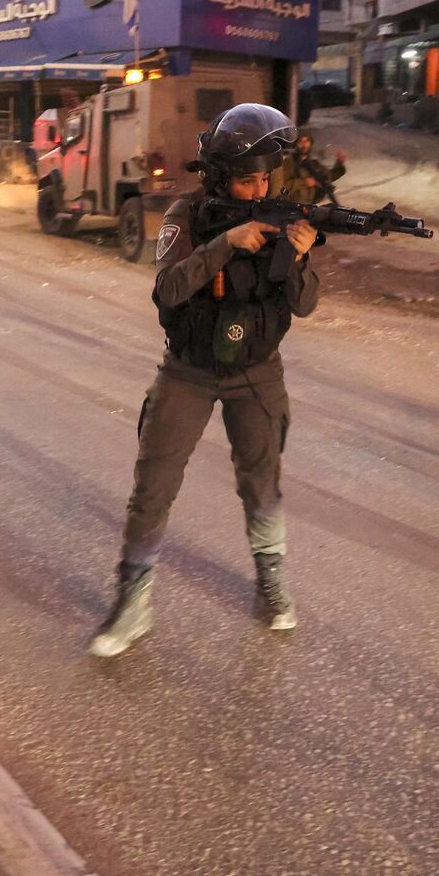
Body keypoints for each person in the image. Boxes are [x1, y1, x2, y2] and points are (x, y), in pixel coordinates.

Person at [88, 104, 320, 657]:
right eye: (247, 179)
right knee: (155, 484)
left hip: (257, 373)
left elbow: (306, 306)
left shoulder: (280, 218)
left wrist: (301, 256)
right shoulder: (183, 215)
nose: (259, 187)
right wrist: (225, 244)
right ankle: (132, 602)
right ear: (219, 178)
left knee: (261, 480)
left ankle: (271, 583)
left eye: (266, 176)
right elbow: (166, 290)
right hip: (188, 370)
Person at [273, 127, 347, 205]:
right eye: (301, 141)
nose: (304, 145)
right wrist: (304, 182)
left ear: (311, 143)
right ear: (296, 143)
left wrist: (339, 163)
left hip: (309, 206)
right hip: (292, 205)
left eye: (307, 141)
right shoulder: (289, 162)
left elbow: (329, 176)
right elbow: (281, 185)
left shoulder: (314, 163)